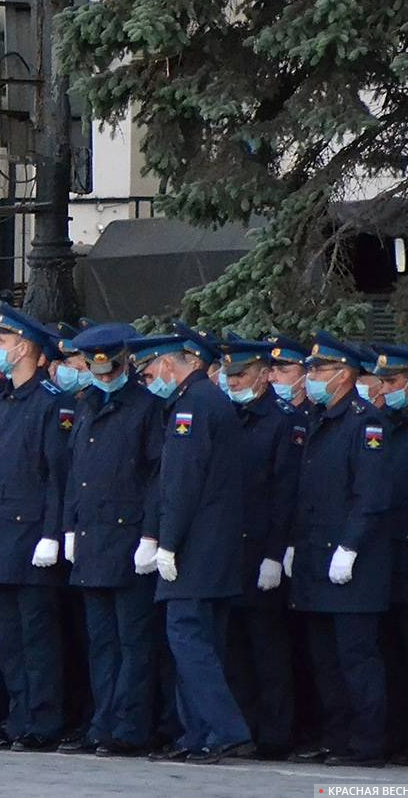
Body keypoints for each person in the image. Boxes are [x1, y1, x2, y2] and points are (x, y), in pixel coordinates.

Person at [137, 324, 253, 764]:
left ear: (168, 364)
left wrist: (167, 543)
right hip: (214, 546)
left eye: (149, 374)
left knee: (187, 638)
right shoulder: (205, 400)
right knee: (202, 641)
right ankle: (199, 734)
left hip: (196, 548)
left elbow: (182, 482)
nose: (150, 383)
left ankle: (224, 730)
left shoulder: (192, 406)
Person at [56, 324, 166, 757]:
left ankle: (130, 727)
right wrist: (68, 527)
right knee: (100, 642)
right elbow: (75, 474)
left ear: (125, 362)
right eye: (95, 370)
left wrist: (150, 534)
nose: (103, 377)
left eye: (110, 369)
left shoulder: (146, 408)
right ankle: (103, 722)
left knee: (133, 642)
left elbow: (157, 476)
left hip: (128, 538)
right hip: (91, 538)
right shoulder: (85, 406)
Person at [0, 305, 74, 752]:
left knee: (37, 637)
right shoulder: (1, 404)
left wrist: (52, 533)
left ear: (27, 347)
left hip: (31, 538)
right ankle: (19, 716)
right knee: (8, 638)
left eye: (5, 341)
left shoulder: (51, 404)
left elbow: (56, 476)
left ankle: (44, 719)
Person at [286, 332, 392, 766]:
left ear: (344, 375)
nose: (312, 377)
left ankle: (367, 743)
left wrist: (349, 547)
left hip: (351, 564)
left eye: (320, 370)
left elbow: (370, 495)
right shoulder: (320, 419)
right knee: (326, 660)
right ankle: (337, 738)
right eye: (310, 370)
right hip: (314, 556)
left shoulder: (364, 423)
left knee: (356, 659)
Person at [212, 339, 300, 760]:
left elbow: (285, 491)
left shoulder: (280, 421)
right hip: (229, 548)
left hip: (262, 547)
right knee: (234, 647)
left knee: (268, 648)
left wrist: (274, 552)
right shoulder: (229, 414)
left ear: (264, 374)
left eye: (241, 375)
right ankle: (242, 728)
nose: (233, 383)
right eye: (229, 376)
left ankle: (276, 733)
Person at [365, 345, 408, 764]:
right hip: (383, 558)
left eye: (392, 381)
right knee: (390, 654)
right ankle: (397, 735)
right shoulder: (388, 423)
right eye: (382, 382)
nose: (383, 389)